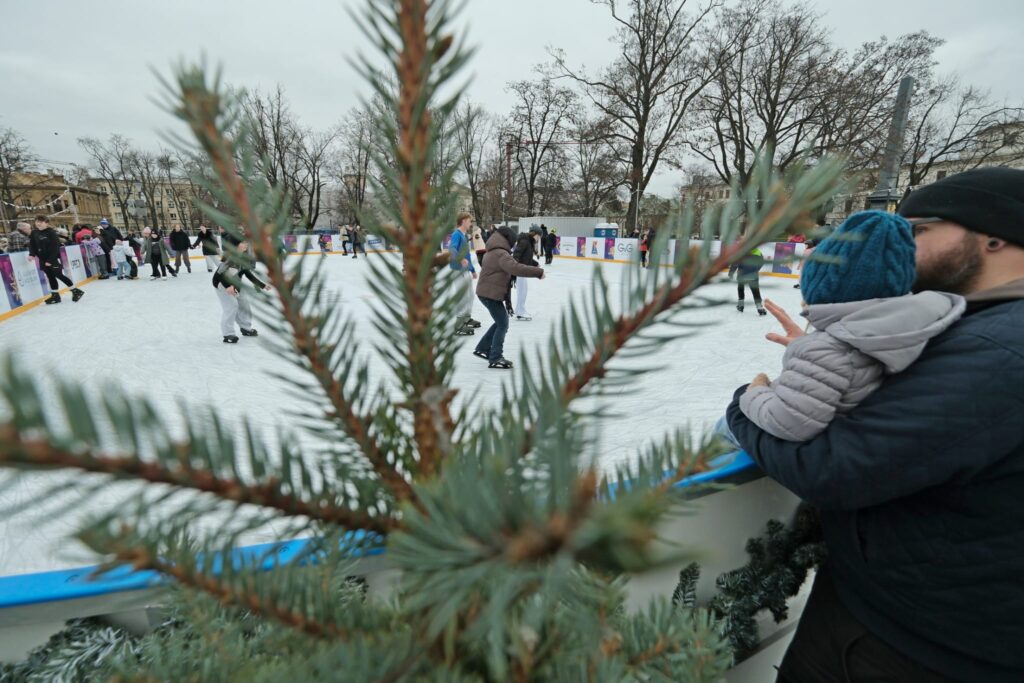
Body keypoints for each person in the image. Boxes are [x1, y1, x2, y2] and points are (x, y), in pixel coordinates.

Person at [726, 167, 1024, 683]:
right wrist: (820, 349)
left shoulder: (1001, 347)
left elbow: (830, 466)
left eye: (917, 230)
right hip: (896, 610)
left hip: (913, 646)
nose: (899, 246)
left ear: (995, 234)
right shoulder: (968, 323)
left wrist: (744, 402)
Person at [736, 211, 964, 443]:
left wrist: (753, 392)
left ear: (821, 289)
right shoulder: (920, 328)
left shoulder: (827, 352)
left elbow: (786, 421)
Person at [473, 227, 545, 369]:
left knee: (500, 321)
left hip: (487, 292)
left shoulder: (493, 250)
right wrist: (538, 272)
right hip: (490, 294)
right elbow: (516, 268)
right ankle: (495, 357)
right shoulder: (501, 254)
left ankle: (483, 348)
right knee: (503, 323)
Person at [211, 239, 271, 343]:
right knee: (232, 306)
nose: (246, 245)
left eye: (246, 243)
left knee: (244, 305)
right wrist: (227, 286)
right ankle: (228, 334)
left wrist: (262, 285)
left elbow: (247, 273)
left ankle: (246, 328)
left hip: (235, 284)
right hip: (221, 284)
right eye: (243, 243)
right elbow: (221, 273)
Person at [37, 216, 85, 304]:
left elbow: (55, 247)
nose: (38, 223)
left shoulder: (51, 233)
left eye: (41, 221)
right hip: (43, 259)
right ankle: (55, 296)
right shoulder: (37, 234)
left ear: (46, 223)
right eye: (37, 221)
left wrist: (50, 260)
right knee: (51, 277)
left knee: (58, 275)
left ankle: (75, 290)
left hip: (52, 259)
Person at [448, 212, 481, 336]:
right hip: (458, 271)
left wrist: (472, 270)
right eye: (469, 221)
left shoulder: (464, 235)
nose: (470, 223)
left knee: (470, 296)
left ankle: (466, 318)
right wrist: (460, 259)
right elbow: (452, 249)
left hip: (465, 270)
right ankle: (458, 325)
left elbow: (467, 255)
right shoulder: (456, 234)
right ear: (463, 221)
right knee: (462, 297)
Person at [512, 226, 541, 321]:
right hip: (520, 269)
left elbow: (527, 258)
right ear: (534, 234)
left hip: (523, 270)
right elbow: (516, 254)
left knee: (523, 291)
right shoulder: (525, 241)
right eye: (538, 236)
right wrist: (515, 267)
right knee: (522, 291)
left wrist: (535, 264)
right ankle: (520, 311)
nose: (538, 238)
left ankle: (520, 310)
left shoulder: (529, 242)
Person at [729, 247, 765, 314]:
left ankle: (740, 305)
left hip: (742, 275)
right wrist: (756, 269)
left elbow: (735, 263)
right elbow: (762, 262)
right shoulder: (758, 252)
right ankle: (759, 307)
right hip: (753, 275)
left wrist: (731, 273)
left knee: (740, 289)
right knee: (755, 291)